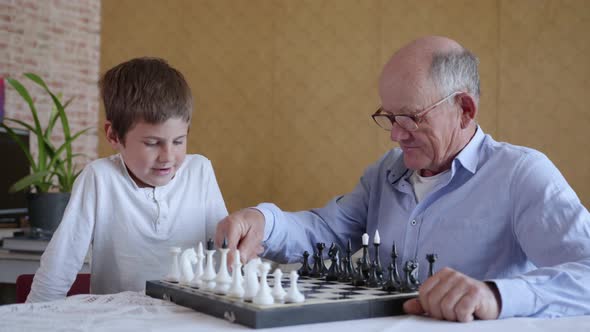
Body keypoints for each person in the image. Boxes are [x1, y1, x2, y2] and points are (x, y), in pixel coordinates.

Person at [216, 36, 590, 321]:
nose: (396, 135)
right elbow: (326, 232)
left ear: (464, 110)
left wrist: (496, 296)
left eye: (411, 118)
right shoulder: (388, 171)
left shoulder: (521, 175)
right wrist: (264, 222)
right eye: (389, 118)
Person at [27, 57, 228, 302]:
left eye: (178, 141)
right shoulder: (99, 179)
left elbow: (225, 254)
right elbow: (58, 267)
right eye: (152, 143)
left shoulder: (200, 170)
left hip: (191, 320)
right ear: (113, 135)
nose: (168, 157)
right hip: (118, 322)